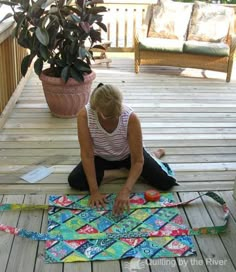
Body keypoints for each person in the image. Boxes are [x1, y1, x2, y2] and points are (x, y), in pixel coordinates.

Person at [68, 83, 178, 215]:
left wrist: (126, 190)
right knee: (75, 181)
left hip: (127, 156)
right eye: (109, 116)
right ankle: (124, 173)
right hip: (101, 156)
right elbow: (87, 155)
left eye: (117, 113)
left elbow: (137, 160)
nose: (115, 118)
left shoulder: (130, 117)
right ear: (96, 109)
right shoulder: (84, 116)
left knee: (166, 183)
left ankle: (151, 156)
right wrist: (95, 192)